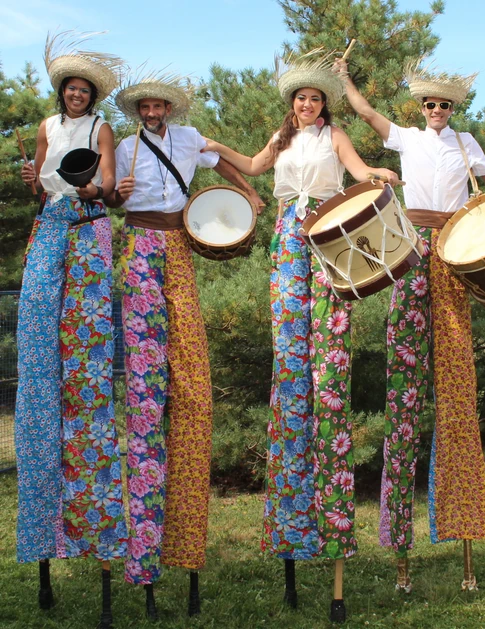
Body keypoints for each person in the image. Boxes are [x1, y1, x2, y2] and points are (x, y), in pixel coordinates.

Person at [203, 50, 397, 621]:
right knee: (290, 358)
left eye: (314, 98)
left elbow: (359, 172)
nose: (307, 104)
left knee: (328, 355)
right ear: (291, 105)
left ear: (322, 104)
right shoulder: (282, 139)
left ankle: (331, 530)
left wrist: (377, 175)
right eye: (300, 99)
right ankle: (289, 534)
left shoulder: (334, 136)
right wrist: (216, 148)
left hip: (329, 231)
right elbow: (253, 165)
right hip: (288, 237)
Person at [335, 56, 485, 591]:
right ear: (421, 108)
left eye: (444, 104)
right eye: (430, 104)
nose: (437, 110)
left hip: (457, 246)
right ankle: (399, 547)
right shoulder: (407, 137)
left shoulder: (466, 142)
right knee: (404, 390)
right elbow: (367, 114)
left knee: (457, 384)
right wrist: (346, 79)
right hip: (412, 248)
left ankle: (463, 528)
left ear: (452, 109)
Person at [107, 70, 262, 620]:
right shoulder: (124, 146)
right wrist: (112, 192)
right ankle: (144, 556)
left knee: (194, 387)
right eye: (145, 104)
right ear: (139, 110)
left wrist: (247, 193)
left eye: (159, 104)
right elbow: (101, 192)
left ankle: (186, 548)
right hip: (140, 242)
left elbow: (221, 161)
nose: (153, 110)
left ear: (169, 107)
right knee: (147, 390)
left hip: (180, 246)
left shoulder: (190, 138)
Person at [16, 31, 127, 629]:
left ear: (93, 97)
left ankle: (97, 521)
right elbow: (37, 178)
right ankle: (40, 534)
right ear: (62, 93)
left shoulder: (100, 130)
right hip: (49, 229)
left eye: (86, 90)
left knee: (85, 366)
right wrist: (38, 182)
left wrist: (95, 189)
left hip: (88, 227)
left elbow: (107, 187)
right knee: (37, 362)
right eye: (72, 89)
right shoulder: (46, 126)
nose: (79, 96)